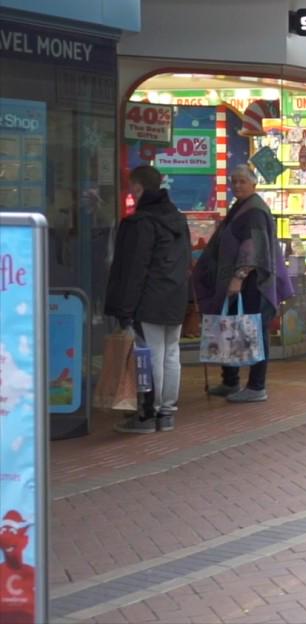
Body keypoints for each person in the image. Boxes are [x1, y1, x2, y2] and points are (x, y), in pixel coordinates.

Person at [104, 165, 192, 433]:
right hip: (175, 296)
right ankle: (167, 411)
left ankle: (147, 413)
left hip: (149, 298)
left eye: (132, 188)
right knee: (171, 353)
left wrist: (124, 308)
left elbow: (134, 268)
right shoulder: (178, 219)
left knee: (150, 354)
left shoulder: (140, 223)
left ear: (138, 187)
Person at [193, 164, 291, 403]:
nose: (237, 185)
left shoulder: (254, 211)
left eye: (242, 181)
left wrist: (238, 277)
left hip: (251, 282)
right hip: (241, 280)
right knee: (231, 325)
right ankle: (230, 380)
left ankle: (257, 386)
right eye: (234, 181)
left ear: (253, 184)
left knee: (254, 330)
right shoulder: (242, 207)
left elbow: (253, 247)